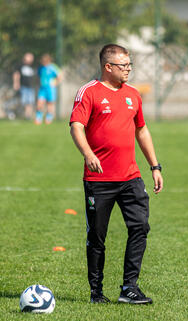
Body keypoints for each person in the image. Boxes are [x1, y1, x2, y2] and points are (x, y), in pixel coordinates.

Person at [69, 44, 163, 304]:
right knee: (97, 236)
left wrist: (154, 166)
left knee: (140, 227)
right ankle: (96, 293)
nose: (128, 69)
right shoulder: (89, 92)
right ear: (107, 67)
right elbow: (76, 126)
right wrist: (88, 154)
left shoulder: (133, 94)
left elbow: (141, 130)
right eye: (123, 66)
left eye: (130, 65)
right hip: (99, 181)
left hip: (130, 177)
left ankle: (129, 288)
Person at [36, 54, 61, 125]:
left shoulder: (53, 67)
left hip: (50, 89)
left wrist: (55, 82)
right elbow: (38, 76)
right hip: (42, 88)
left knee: (50, 104)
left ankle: (49, 118)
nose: (43, 62)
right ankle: (38, 118)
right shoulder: (41, 68)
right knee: (39, 103)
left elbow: (60, 75)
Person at [13, 52, 36, 120]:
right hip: (23, 86)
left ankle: (28, 116)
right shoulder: (20, 66)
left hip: (31, 87)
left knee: (30, 101)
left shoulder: (32, 66)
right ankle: (26, 115)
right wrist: (16, 83)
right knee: (25, 102)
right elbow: (16, 74)